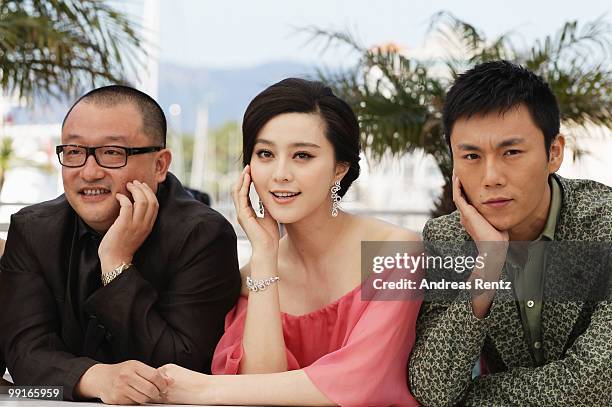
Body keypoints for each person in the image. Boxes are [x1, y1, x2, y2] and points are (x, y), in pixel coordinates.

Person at [154, 78, 423, 406]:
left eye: (302, 156)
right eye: (265, 153)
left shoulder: (398, 251)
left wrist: (203, 389)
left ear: (340, 168)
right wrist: (265, 253)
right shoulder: (253, 274)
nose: (280, 173)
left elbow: (362, 379)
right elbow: (260, 389)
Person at [0, 85, 241, 404]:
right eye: (74, 152)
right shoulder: (33, 229)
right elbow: (25, 354)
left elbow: (186, 367)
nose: (89, 171)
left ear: (160, 165)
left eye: (112, 152)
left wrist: (116, 265)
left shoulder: (204, 235)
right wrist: (96, 378)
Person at [409, 60, 612, 406]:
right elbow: (433, 390)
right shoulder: (448, 239)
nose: (491, 177)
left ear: (554, 152)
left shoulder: (603, 223)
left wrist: (473, 399)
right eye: (471, 156)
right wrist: (487, 264)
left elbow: (596, 382)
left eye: (512, 152)